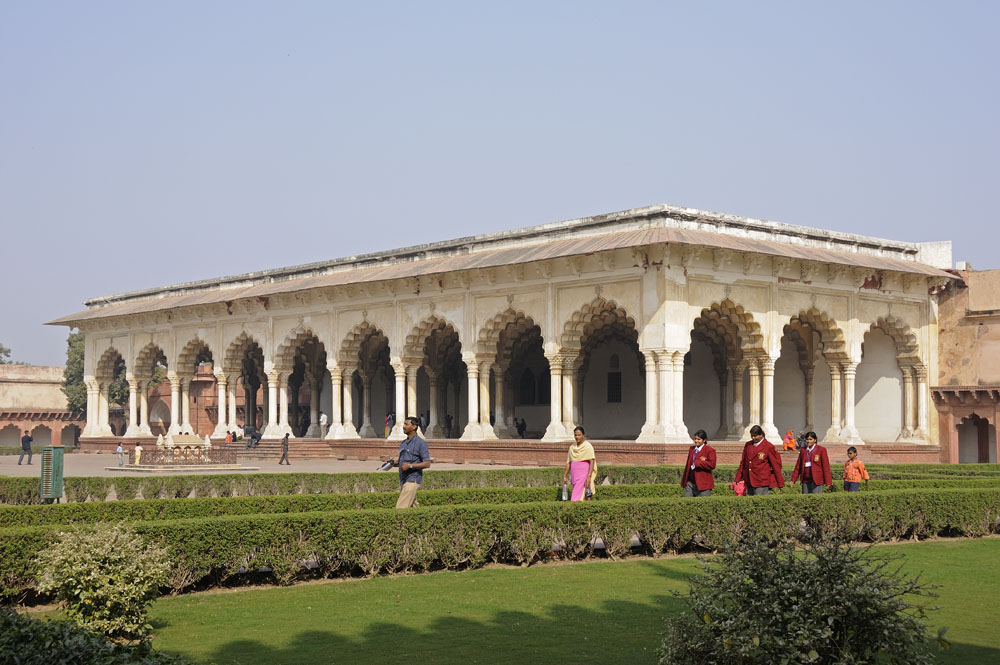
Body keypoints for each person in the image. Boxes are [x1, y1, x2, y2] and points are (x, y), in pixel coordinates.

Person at [735, 425, 784, 495]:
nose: (753, 438)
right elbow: (743, 463)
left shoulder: (768, 446)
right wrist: (737, 478)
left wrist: (780, 483)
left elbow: (776, 465)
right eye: (752, 436)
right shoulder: (748, 445)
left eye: (755, 436)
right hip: (749, 480)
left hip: (762, 481)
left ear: (761, 435)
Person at [396, 415, 430, 508]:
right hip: (403, 479)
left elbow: (427, 463)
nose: (403, 426)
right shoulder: (404, 443)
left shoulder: (421, 443)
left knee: (400, 508)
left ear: (414, 427)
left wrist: (410, 466)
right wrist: (391, 463)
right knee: (413, 507)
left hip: (413, 479)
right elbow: (402, 461)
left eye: (406, 424)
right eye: (404, 424)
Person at [561, 426, 597, 502]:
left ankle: (575, 506)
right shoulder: (572, 447)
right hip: (574, 474)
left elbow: (592, 461)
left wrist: (589, 476)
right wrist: (565, 475)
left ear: (583, 435)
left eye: (579, 435)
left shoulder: (587, 446)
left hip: (584, 473)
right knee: (578, 491)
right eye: (575, 435)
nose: (577, 437)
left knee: (577, 495)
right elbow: (569, 462)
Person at [681, 429, 717, 497]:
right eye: (695, 439)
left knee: (702, 505)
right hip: (690, 483)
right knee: (686, 503)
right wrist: (684, 481)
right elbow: (688, 465)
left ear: (704, 440)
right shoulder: (692, 449)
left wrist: (698, 463)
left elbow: (712, 465)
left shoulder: (710, 450)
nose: (696, 441)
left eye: (699, 439)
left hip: (703, 484)